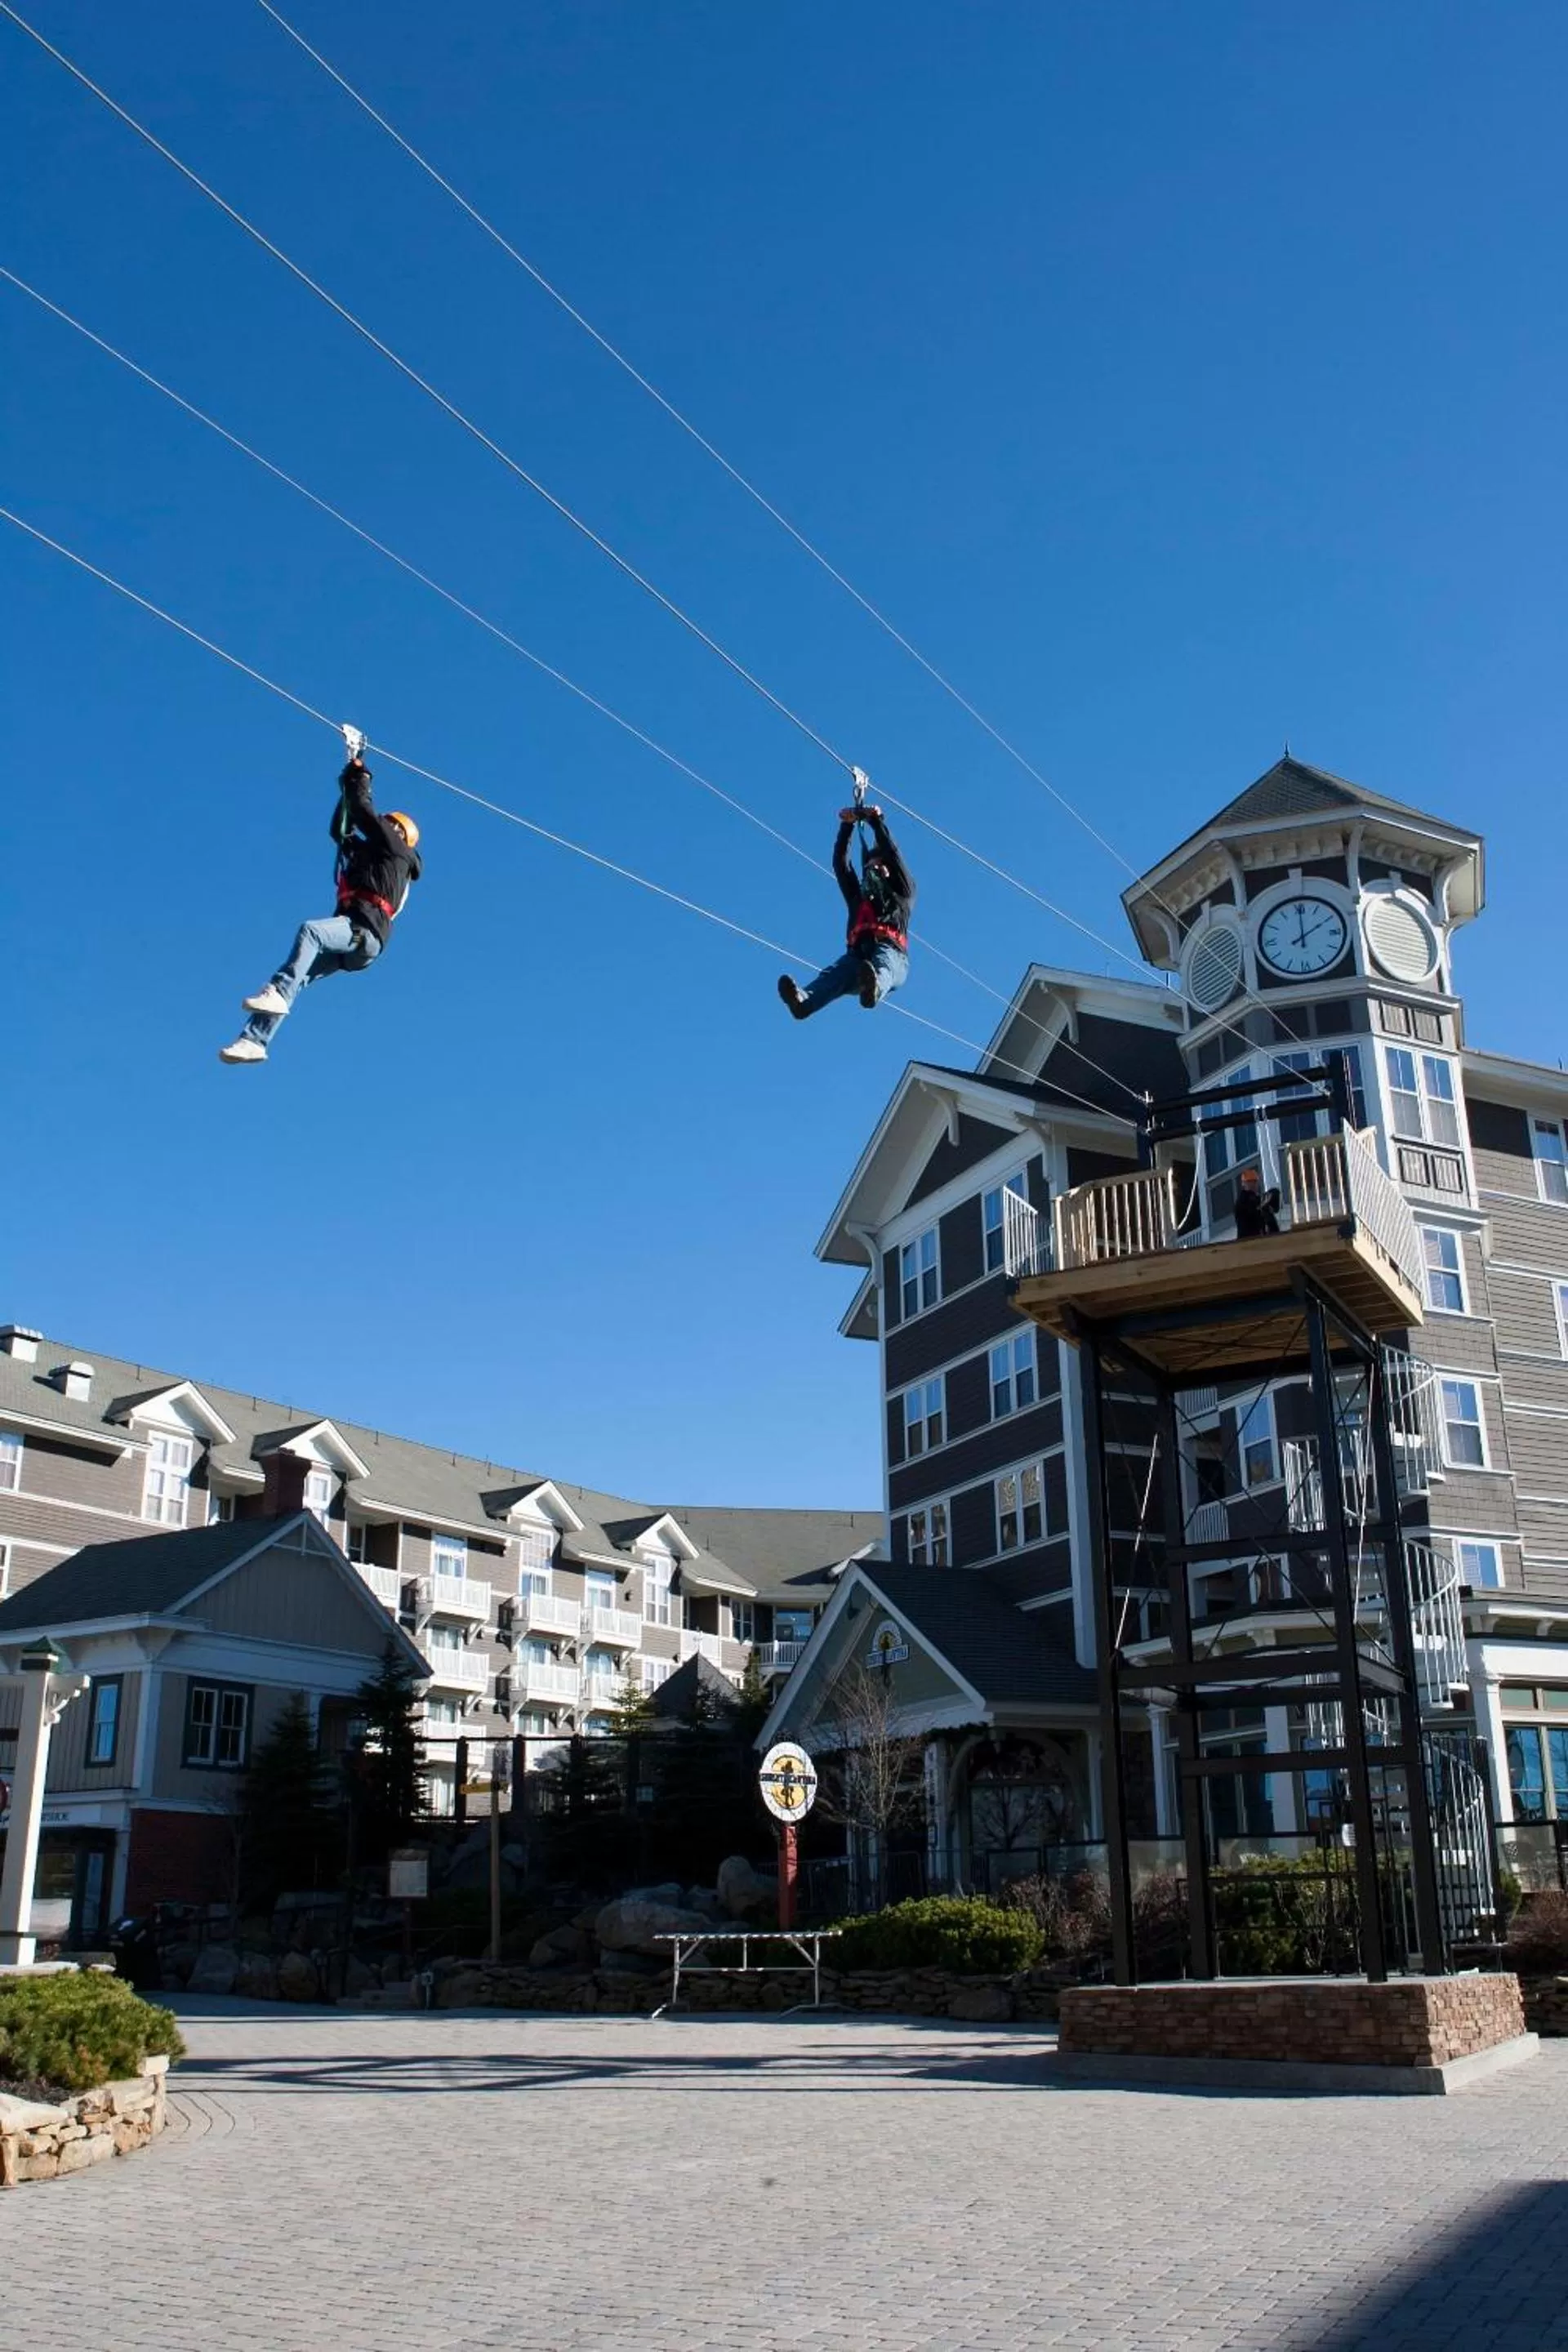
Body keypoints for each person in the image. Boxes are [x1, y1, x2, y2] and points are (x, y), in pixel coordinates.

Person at [220, 755, 421, 1064]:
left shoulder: (398, 852)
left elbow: (363, 810)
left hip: (363, 930)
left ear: (401, 836)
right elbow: (340, 831)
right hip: (359, 940)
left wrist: (361, 775)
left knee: (311, 932)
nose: (386, 825)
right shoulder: (372, 855)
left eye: (392, 824)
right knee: (300, 976)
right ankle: (254, 1041)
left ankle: (275, 992)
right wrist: (346, 787)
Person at [777, 802, 915, 1020]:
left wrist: (877, 823)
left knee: (884, 963)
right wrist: (846, 826)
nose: (876, 868)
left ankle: (875, 988)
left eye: (881, 865)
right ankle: (803, 1002)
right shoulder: (857, 898)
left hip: (892, 953)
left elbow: (893, 853)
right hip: (858, 957)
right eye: (871, 865)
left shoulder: (902, 893)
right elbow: (841, 864)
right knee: (836, 974)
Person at [1233, 1165, 1281, 1239]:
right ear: (1243, 1183)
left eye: (1254, 1181)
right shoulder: (1242, 1201)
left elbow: (1274, 1193)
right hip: (1247, 1241)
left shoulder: (1257, 1200)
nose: (1253, 1184)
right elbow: (1251, 1208)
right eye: (1249, 1182)